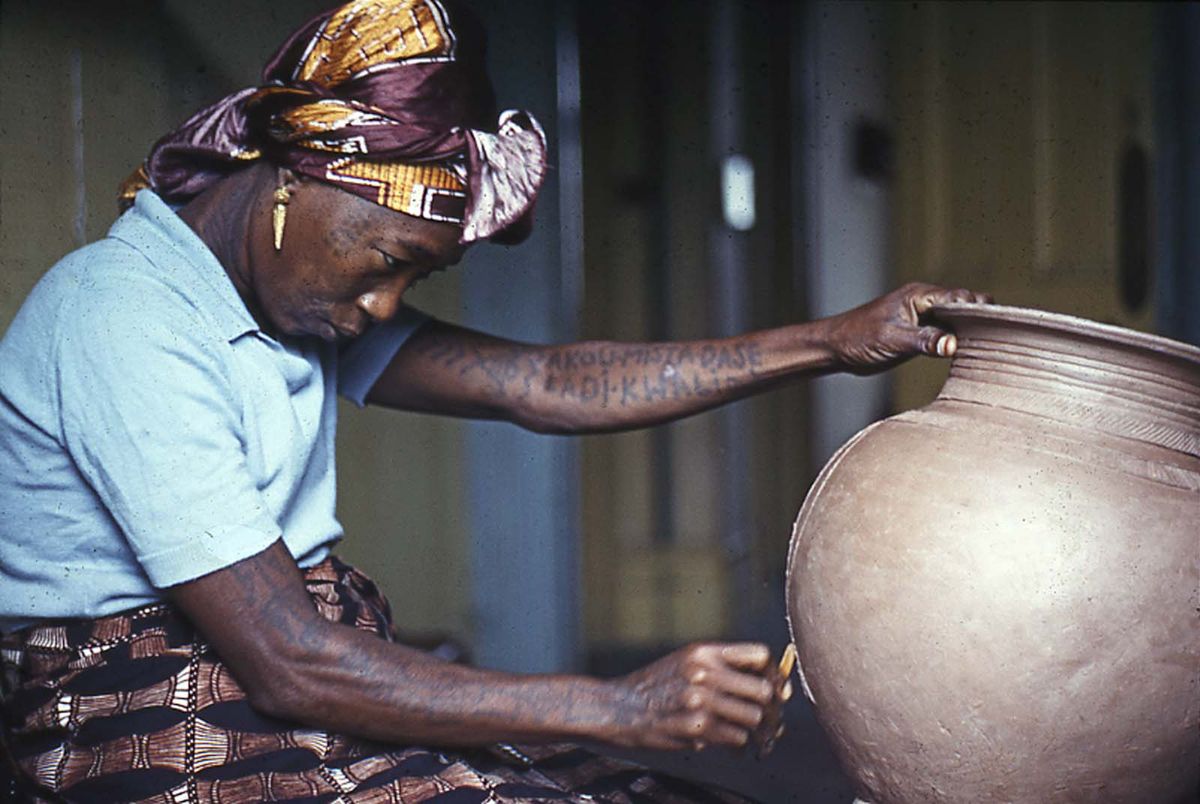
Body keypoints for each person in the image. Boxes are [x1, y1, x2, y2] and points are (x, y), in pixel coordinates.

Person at [0, 1, 988, 801]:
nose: (380, 308)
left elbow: (547, 384)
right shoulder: (125, 317)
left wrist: (833, 341)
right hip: (132, 712)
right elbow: (288, 664)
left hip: (285, 659)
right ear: (294, 182)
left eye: (410, 284)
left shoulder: (284, 302)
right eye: (387, 263)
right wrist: (614, 706)